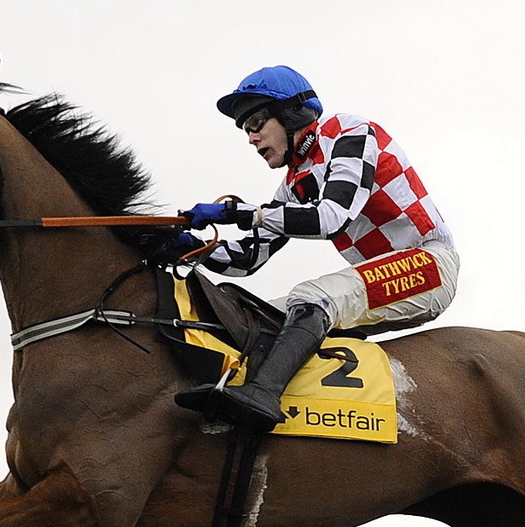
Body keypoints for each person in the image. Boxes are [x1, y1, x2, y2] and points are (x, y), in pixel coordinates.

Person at [171, 66, 459, 429]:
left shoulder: (350, 132)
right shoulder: (293, 184)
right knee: (254, 314)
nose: (251, 138)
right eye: (245, 128)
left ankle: (263, 395)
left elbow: (331, 216)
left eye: (257, 122)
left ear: (292, 113)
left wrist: (243, 213)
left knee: (310, 295)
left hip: (428, 265)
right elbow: (247, 259)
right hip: (380, 276)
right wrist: (190, 247)